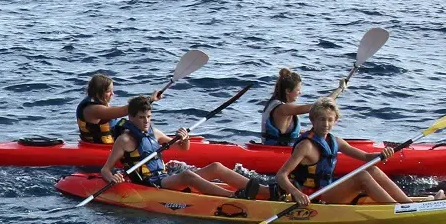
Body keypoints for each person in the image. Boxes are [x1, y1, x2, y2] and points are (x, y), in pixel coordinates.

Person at [276, 98, 426, 205]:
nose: (325, 124)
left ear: (335, 121)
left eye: (329, 120)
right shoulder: (306, 146)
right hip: (312, 197)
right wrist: (296, 193)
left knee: (372, 169)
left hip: (327, 189)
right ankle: (397, 209)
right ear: (313, 120)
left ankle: (407, 204)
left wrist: (382, 154)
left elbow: (367, 157)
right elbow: (281, 175)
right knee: (361, 176)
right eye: (321, 119)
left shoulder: (335, 141)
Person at [99, 95, 253, 197]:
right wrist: (113, 177)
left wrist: (185, 139)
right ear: (131, 117)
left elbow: (182, 148)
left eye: (148, 117)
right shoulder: (124, 140)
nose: (146, 121)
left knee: (216, 167)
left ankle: (257, 189)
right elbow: (105, 169)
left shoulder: (155, 133)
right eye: (141, 117)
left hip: (165, 177)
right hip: (150, 183)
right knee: (187, 175)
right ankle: (233, 197)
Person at [259, 68, 315, 145]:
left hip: (269, 145)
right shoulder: (283, 108)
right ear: (288, 91)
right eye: (298, 90)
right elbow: (315, 107)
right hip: (277, 150)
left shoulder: (273, 102)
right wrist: (337, 90)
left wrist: (302, 132)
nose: (300, 93)